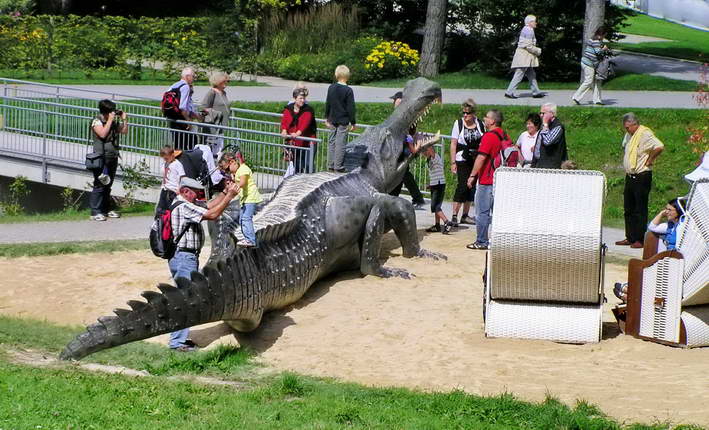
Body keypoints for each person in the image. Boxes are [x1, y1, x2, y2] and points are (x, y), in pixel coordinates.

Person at [168, 176, 239, 351]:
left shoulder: (184, 203)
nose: (198, 197)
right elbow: (212, 214)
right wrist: (229, 197)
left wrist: (224, 192)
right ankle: (177, 343)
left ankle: (179, 339)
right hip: (184, 258)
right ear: (185, 191)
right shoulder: (183, 207)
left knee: (185, 297)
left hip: (183, 257)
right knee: (187, 299)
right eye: (195, 193)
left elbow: (208, 206)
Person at [616, 113, 664, 249]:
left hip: (642, 175)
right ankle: (630, 237)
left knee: (639, 209)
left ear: (634, 124)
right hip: (630, 175)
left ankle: (640, 239)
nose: (626, 130)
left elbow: (659, 146)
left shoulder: (645, 133)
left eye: (627, 127)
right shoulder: (630, 135)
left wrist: (650, 159)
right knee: (628, 208)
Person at [466, 110, 505, 250]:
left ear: (492, 121)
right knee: (498, 213)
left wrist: (472, 176)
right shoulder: (503, 134)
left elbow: (481, 157)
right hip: (500, 180)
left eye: (487, 117)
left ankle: (481, 241)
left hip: (487, 180)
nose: (484, 119)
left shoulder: (489, 136)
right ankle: (499, 241)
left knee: (482, 212)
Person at [89, 99, 128, 222]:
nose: (113, 113)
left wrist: (124, 119)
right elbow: (103, 134)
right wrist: (110, 120)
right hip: (101, 158)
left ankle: (105, 209)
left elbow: (124, 131)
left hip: (112, 156)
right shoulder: (97, 121)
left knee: (108, 184)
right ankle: (95, 211)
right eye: (111, 111)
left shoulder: (112, 122)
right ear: (105, 112)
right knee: (100, 183)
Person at [449, 99, 485, 226]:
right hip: (462, 158)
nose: (465, 115)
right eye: (463, 113)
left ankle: (465, 215)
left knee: (472, 187)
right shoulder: (458, 124)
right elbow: (453, 144)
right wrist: (453, 162)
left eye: (468, 113)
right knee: (462, 186)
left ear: (473, 113)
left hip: (475, 159)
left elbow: (483, 140)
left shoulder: (480, 124)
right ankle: (454, 215)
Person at [388, 91, 425, 209]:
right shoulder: (400, 113)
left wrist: (408, 139)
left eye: (396, 100)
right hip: (399, 146)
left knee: (403, 173)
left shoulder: (405, 114)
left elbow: (409, 130)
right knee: (400, 173)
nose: (394, 102)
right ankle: (393, 196)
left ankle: (418, 198)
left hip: (403, 147)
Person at [219, 151, 263, 247]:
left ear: (232, 162)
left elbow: (242, 182)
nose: (228, 172)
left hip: (251, 197)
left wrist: (235, 186)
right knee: (242, 220)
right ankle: (247, 238)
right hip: (245, 198)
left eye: (227, 169)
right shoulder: (237, 171)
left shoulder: (244, 169)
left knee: (246, 218)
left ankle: (251, 240)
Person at [325, 65, 356, 172]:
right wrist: (353, 122)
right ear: (347, 76)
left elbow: (328, 103)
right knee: (340, 143)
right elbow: (350, 108)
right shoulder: (348, 90)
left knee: (331, 141)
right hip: (343, 120)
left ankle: (331, 164)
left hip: (332, 118)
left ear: (336, 75)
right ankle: (338, 166)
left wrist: (327, 117)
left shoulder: (331, 87)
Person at [505, 15, 544, 99]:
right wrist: (538, 51)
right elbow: (528, 46)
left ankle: (536, 92)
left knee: (531, 74)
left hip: (525, 56)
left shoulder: (527, 29)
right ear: (529, 22)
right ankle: (509, 92)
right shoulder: (529, 30)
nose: (536, 23)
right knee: (519, 74)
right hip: (524, 56)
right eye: (534, 21)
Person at [281, 87, 317, 174]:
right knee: (297, 166)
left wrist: (297, 133)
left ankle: (310, 183)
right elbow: (284, 121)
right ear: (294, 98)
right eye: (300, 98)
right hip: (296, 143)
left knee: (308, 165)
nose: (302, 100)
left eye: (303, 98)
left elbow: (305, 124)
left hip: (308, 143)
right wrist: (284, 130)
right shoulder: (288, 109)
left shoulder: (308, 110)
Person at [572, 27, 609, 106]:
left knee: (597, 81)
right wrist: (604, 49)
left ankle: (597, 100)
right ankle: (576, 97)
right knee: (588, 81)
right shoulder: (596, 41)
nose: (604, 37)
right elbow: (598, 52)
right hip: (589, 64)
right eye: (604, 35)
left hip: (590, 63)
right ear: (602, 34)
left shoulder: (593, 39)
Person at [168, 67, 202, 150]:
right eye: (193, 76)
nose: (194, 79)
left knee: (178, 144)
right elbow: (182, 107)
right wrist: (188, 121)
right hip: (182, 121)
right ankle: (187, 162)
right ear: (187, 76)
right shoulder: (185, 87)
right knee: (191, 143)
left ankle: (178, 161)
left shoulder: (174, 85)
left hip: (173, 118)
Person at [422, 143, 452, 234]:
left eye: (425, 151)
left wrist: (427, 141)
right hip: (435, 184)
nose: (423, 153)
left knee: (435, 206)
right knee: (437, 206)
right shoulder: (429, 160)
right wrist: (431, 184)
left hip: (439, 184)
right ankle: (437, 225)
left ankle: (447, 222)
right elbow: (434, 173)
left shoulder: (435, 157)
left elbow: (430, 149)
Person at [200, 71, 231, 156]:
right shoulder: (212, 92)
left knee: (219, 150)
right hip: (212, 127)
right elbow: (203, 107)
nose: (227, 83)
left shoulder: (224, 93)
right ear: (218, 81)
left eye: (228, 81)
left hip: (221, 127)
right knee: (210, 150)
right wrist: (217, 114)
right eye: (225, 81)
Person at [532, 103, 568, 169]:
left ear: (552, 114)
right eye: (540, 113)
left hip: (551, 166)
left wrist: (545, 125)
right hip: (539, 164)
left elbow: (547, 141)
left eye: (543, 113)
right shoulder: (545, 125)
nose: (541, 115)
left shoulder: (558, 127)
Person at [157, 145, 186, 213]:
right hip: (165, 189)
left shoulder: (177, 164)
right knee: (160, 210)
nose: (165, 160)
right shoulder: (166, 163)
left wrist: (180, 189)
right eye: (164, 158)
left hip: (173, 190)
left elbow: (182, 178)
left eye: (166, 158)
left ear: (172, 155)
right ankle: (160, 222)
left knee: (171, 210)